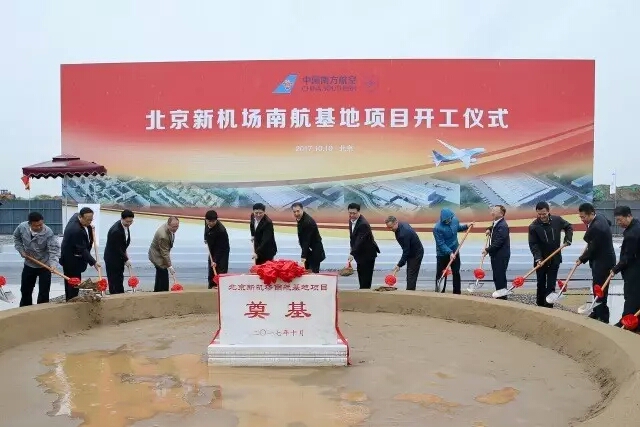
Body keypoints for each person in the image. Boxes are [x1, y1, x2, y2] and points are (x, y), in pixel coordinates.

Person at [528, 201, 573, 308]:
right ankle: (540, 305)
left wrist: (568, 239)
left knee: (551, 284)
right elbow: (533, 244)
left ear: (548, 211)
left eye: (544, 213)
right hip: (541, 260)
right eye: (539, 214)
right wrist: (538, 258)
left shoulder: (557, 220)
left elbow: (569, 227)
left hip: (555, 258)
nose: (542, 216)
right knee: (541, 283)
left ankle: (549, 306)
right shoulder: (533, 226)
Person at [577, 203, 616, 324]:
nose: (582, 219)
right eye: (580, 217)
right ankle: (596, 311)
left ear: (591, 214)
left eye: (584, 217)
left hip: (603, 262)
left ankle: (603, 317)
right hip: (603, 258)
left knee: (600, 289)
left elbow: (592, 249)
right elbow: (609, 223)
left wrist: (581, 259)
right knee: (597, 287)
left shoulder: (597, 227)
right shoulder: (600, 217)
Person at [13, 211, 60, 306]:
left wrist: (53, 265)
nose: (39, 227)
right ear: (29, 224)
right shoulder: (22, 227)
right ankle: (25, 309)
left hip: (45, 265)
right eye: (36, 225)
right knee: (25, 290)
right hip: (29, 264)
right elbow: (16, 238)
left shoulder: (48, 232)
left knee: (44, 292)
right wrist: (21, 250)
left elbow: (54, 250)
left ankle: (41, 311)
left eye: (41, 225)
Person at [60, 207, 100, 301]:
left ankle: (71, 299)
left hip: (72, 255)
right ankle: (72, 301)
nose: (89, 222)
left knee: (72, 281)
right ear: (80, 217)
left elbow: (87, 225)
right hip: (71, 259)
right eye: (88, 220)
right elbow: (82, 249)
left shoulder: (76, 216)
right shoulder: (76, 230)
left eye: (91, 219)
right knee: (73, 282)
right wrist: (94, 262)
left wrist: (90, 227)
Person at [611, 206, 640, 328]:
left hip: (635, 270)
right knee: (637, 297)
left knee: (631, 297)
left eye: (620, 220)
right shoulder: (636, 225)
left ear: (628, 216)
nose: (618, 223)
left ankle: (625, 323)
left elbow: (627, 257)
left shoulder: (632, 233)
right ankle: (636, 324)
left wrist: (615, 269)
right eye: (617, 220)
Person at [433, 208, 474, 294]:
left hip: (455, 251)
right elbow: (441, 244)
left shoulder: (455, 220)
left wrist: (466, 226)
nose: (448, 221)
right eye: (446, 220)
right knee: (441, 274)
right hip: (442, 255)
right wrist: (449, 252)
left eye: (449, 219)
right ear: (442, 219)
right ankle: (439, 292)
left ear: (452, 217)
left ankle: (457, 293)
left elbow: (458, 228)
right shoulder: (437, 228)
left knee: (456, 272)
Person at [347, 203, 380, 289]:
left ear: (359, 212)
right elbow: (352, 237)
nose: (352, 215)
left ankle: (365, 293)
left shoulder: (363, 224)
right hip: (360, 254)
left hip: (367, 254)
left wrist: (352, 253)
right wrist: (351, 248)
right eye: (350, 213)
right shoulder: (351, 221)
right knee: (361, 275)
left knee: (366, 278)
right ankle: (362, 291)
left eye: (354, 213)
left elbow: (359, 241)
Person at [387, 216, 424, 291]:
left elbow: (406, 251)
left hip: (416, 254)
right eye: (388, 227)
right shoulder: (400, 225)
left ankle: (410, 292)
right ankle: (409, 290)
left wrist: (399, 264)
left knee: (411, 275)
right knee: (410, 273)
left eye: (391, 227)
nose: (390, 229)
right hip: (412, 251)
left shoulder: (403, 234)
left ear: (396, 222)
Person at [483, 205, 510, 300]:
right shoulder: (497, 223)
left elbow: (499, 241)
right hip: (496, 254)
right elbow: (494, 227)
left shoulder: (503, 226)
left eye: (495, 210)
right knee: (496, 276)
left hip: (501, 255)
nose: (492, 212)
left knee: (500, 276)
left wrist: (487, 250)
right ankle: (499, 294)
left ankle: (502, 297)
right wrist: (489, 229)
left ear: (501, 214)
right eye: (492, 210)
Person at [104, 209, 134, 294]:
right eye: (127, 222)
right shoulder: (116, 231)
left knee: (120, 277)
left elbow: (123, 244)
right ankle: (115, 295)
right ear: (122, 219)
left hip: (119, 256)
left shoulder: (124, 226)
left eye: (131, 221)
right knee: (114, 279)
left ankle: (120, 293)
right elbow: (117, 248)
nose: (129, 224)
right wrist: (126, 259)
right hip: (112, 258)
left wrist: (125, 256)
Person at [292, 203, 325, 273]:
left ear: (302, 209)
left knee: (313, 273)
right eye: (294, 212)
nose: (296, 213)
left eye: (298, 211)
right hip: (308, 250)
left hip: (314, 251)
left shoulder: (308, 222)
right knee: (306, 272)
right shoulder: (301, 219)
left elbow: (306, 240)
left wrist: (303, 256)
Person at [148, 216, 179, 292]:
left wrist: (168, 264)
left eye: (177, 226)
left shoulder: (168, 228)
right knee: (163, 272)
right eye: (174, 227)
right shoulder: (163, 236)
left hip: (160, 253)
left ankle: (158, 291)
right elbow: (164, 253)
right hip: (156, 255)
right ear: (168, 225)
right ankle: (163, 292)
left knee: (161, 273)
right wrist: (170, 266)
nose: (175, 228)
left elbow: (165, 251)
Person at [205, 210, 230, 288]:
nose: (211, 223)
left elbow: (220, 248)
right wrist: (205, 238)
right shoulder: (206, 222)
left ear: (216, 220)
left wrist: (215, 260)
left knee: (221, 268)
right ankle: (211, 286)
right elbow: (206, 230)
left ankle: (220, 287)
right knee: (211, 267)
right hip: (212, 247)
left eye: (213, 221)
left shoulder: (221, 230)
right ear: (206, 220)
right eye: (209, 221)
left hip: (222, 250)